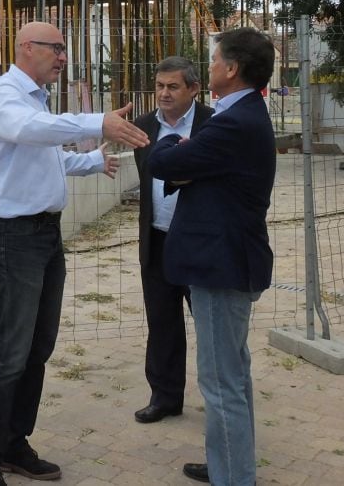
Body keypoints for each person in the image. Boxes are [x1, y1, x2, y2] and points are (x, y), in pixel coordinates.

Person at [0, 21, 150, 486]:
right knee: (10, 352)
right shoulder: (3, 94)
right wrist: (97, 121)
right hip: (13, 238)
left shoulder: (36, 100)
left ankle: (14, 445)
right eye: (57, 48)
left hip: (45, 237)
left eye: (64, 50)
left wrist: (91, 160)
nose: (63, 57)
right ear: (27, 48)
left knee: (37, 348)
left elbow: (42, 154)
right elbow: (28, 132)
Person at [148, 28, 276, 486]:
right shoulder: (240, 115)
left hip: (221, 265)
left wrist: (172, 146)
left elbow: (164, 163)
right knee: (232, 375)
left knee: (222, 383)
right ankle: (228, 462)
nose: (212, 64)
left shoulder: (231, 122)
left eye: (215, 58)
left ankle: (233, 477)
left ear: (232, 68)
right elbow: (193, 165)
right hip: (227, 259)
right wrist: (188, 153)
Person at [131, 56, 213, 424]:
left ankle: (219, 401)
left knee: (211, 325)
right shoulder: (143, 128)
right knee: (162, 322)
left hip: (200, 243)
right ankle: (165, 396)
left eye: (173, 87)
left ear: (194, 89)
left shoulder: (214, 125)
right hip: (158, 240)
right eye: (160, 86)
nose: (164, 94)